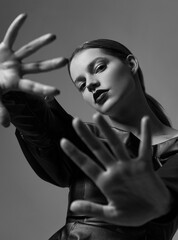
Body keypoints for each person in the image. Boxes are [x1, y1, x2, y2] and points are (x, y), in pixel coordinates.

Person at [1, 13, 178, 240]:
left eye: (100, 68)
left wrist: (152, 200)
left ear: (131, 64)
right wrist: (13, 90)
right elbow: (43, 129)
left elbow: (167, 194)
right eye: (81, 85)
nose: (91, 84)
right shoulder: (83, 139)